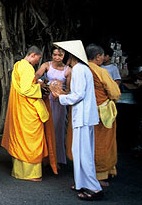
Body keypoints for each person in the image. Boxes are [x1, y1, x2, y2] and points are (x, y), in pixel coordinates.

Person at [50, 40, 104, 201]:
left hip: (83, 116)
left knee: (84, 153)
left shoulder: (79, 69)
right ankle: (82, 183)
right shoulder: (82, 69)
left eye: (66, 53)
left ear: (73, 56)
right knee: (79, 151)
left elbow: (78, 94)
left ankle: (94, 188)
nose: (64, 56)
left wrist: (61, 97)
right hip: (84, 116)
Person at [2, 45, 54, 181]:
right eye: (38, 58)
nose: (38, 61)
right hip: (28, 109)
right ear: (33, 55)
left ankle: (20, 172)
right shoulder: (26, 67)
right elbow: (26, 89)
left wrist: (36, 82)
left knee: (21, 138)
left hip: (21, 109)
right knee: (31, 140)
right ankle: (31, 174)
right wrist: (40, 87)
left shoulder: (18, 65)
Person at [86, 43, 121, 186]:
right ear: (99, 57)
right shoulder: (101, 71)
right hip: (102, 112)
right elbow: (115, 93)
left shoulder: (82, 69)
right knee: (103, 143)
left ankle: (89, 172)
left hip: (86, 111)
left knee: (89, 142)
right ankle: (101, 174)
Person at [35, 47, 71, 165]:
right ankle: (44, 158)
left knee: (57, 130)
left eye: (60, 55)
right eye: (55, 55)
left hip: (59, 103)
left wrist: (60, 92)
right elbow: (36, 77)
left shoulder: (68, 70)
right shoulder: (46, 65)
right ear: (51, 55)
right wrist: (43, 83)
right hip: (47, 100)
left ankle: (56, 159)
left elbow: (69, 90)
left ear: (64, 56)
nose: (57, 58)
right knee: (45, 128)